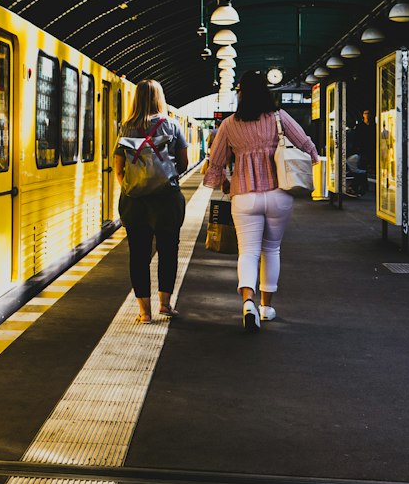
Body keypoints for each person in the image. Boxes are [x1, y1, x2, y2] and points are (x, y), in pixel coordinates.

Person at [204, 69, 320, 332]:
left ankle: (248, 303)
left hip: (244, 196)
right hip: (278, 193)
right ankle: (267, 308)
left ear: (241, 94)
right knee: (272, 250)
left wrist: (220, 179)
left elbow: (216, 160)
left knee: (248, 252)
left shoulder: (230, 124)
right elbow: (303, 141)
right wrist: (314, 158)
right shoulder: (278, 117)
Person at [113, 79, 189, 323]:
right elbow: (184, 164)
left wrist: (133, 185)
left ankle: (144, 313)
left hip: (135, 201)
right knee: (168, 251)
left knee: (138, 254)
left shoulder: (126, 128)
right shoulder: (172, 126)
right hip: (166, 200)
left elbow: (118, 168)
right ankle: (165, 305)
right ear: (160, 98)